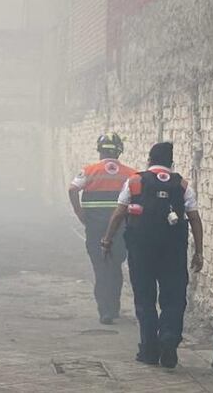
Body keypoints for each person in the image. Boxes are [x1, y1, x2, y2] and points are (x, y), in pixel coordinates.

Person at [100, 142, 204, 369]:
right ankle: (168, 339)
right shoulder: (183, 185)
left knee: (145, 298)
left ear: (149, 160)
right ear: (171, 163)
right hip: (174, 253)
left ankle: (149, 350)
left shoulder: (135, 181)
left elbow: (119, 213)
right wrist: (199, 252)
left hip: (141, 251)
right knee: (174, 298)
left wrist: (107, 240)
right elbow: (195, 219)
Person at [68, 132, 138, 324]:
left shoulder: (89, 170)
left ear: (99, 151)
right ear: (119, 151)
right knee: (115, 267)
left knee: (101, 268)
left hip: (95, 229)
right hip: (120, 230)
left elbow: (73, 189)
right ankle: (113, 308)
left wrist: (80, 213)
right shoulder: (130, 174)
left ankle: (105, 310)